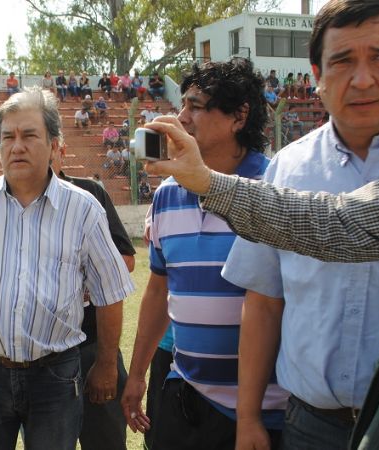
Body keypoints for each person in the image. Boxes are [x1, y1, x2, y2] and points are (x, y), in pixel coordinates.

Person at [221, 2, 379, 450]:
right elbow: (264, 301)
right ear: (316, 76)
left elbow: (342, 224)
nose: (362, 79)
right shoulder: (288, 167)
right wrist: (247, 417)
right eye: (343, 61)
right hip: (311, 425)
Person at [0, 87, 134, 450]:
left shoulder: (83, 209)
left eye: (28, 135)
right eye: (7, 137)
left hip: (55, 376)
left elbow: (110, 293)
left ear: (54, 145)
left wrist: (104, 364)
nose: (16, 146)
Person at [120, 58, 287, 450]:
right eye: (184, 104)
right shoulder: (166, 196)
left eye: (196, 105)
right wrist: (138, 373)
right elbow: (159, 292)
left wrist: (252, 417)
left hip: (267, 413)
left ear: (238, 116)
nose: (182, 116)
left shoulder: (277, 188)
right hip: (188, 399)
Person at [51, 139, 136, 450]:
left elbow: (127, 259)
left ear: (60, 150)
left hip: (92, 345)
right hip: (39, 359)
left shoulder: (90, 193)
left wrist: (86, 275)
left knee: (106, 439)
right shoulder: (10, 204)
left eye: (48, 147)